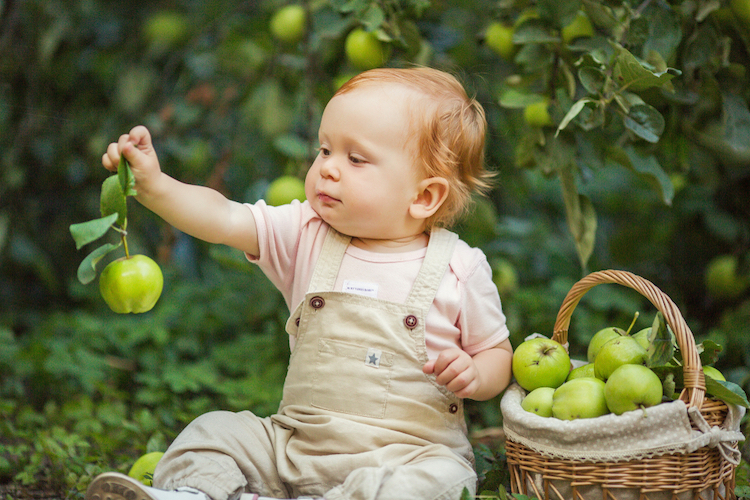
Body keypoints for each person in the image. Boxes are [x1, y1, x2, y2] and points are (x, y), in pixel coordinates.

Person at [85, 67, 513, 500]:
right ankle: (198, 494)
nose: (327, 168)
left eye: (356, 159)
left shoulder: (459, 267)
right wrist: (155, 185)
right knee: (211, 433)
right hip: (293, 448)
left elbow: (496, 353)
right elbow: (223, 217)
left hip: (406, 457)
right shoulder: (305, 231)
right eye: (324, 149)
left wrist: (476, 374)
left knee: (442, 479)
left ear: (423, 197)